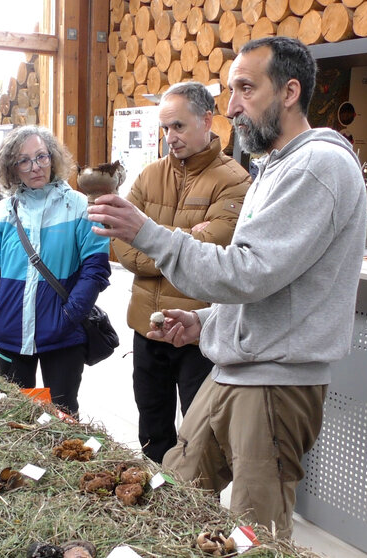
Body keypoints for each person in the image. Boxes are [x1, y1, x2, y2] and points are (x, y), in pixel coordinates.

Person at [87, 37, 367, 538]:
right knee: (173, 490)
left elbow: (246, 272)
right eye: (230, 89)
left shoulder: (318, 165)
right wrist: (205, 322)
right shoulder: (277, 166)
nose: (232, 106)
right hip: (233, 368)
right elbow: (268, 282)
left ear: (289, 91)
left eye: (244, 89)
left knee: (251, 530)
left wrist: (146, 232)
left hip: (276, 382)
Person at [113, 81, 250, 463]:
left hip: (197, 332)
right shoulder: (148, 176)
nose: (169, 137)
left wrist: (152, 241)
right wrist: (184, 243)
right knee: (152, 430)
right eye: (165, 128)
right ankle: (154, 506)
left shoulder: (235, 181)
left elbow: (216, 250)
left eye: (178, 126)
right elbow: (122, 245)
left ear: (207, 120)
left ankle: (193, 516)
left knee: (199, 438)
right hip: (147, 326)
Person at [0, 126, 111, 415]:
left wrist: (71, 314)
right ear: (11, 168)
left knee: (61, 414)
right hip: (9, 331)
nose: (35, 167)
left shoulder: (78, 206)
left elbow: (95, 268)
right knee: (14, 414)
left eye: (41, 157)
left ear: (53, 158)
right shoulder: (2, 211)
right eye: (24, 161)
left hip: (62, 334)